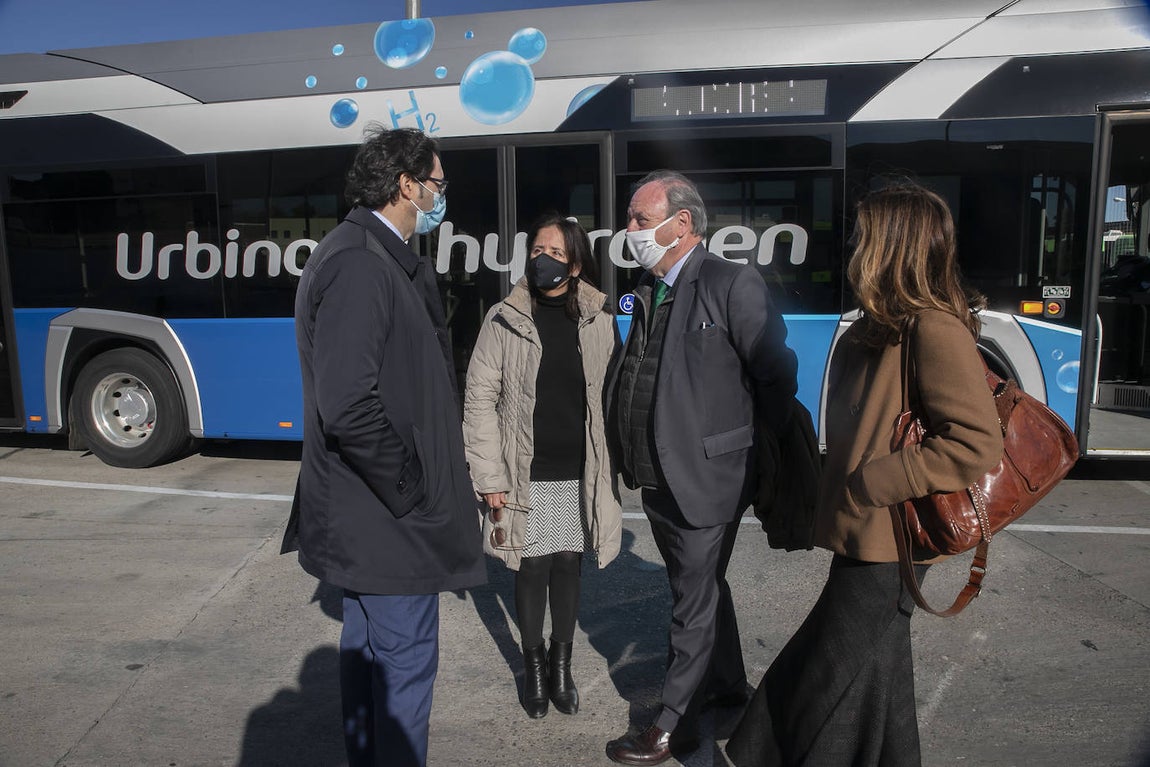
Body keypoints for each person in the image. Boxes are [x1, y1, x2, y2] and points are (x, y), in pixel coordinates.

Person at [725, 181, 1005, 766]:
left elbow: (977, 442)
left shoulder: (933, 328)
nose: (853, 244)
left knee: (827, 669)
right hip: (869, 531)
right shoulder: (884, 324)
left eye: (864, 234)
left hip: (894, 534)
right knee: (877, 672)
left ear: (893, 244)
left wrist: (875, 481)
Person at [283, 124, 486, 767]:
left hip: (374, 521)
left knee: (372, 666)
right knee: (401, 680)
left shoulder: (372, 255)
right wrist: (412, 488)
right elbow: (347, 403)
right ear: (406, 184)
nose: (441, 194)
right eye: (437, 183)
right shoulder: (361, 264)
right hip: (386, 522)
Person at [604, 170, 798, 765]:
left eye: (640, 218)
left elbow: (775, 374)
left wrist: (741, 445)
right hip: (657, 476)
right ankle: (728, 683)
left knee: (690, 601)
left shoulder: (731, 284)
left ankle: (670, 724)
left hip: (705, 477)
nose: (629, 230)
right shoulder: (649, 287)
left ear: (680, 223)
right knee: (701, 588)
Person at [463, 213, 623, 719]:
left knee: (568, 564)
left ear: (575, 264)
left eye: (554, 253)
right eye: (536, 250)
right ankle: (533, 666)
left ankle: (561, 664)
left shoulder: (599, 319)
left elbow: (611, 395)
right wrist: (490, 478)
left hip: (581, 469)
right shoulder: (504, 317)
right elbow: (478, 399)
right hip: (523, 469)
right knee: (531, 566)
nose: (542, 260)